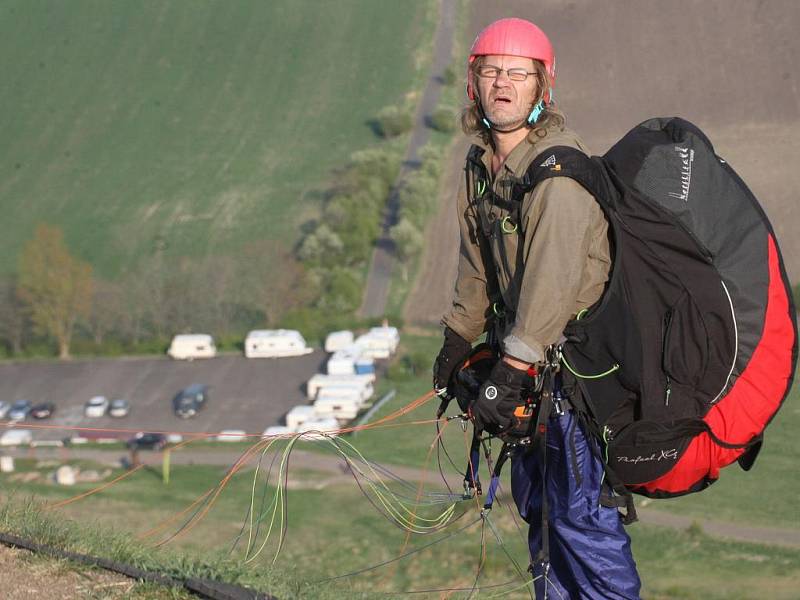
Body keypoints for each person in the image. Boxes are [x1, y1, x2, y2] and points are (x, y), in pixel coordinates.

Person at [432, 17, 641, 599]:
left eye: (517, 74)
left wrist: (510, 369)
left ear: (542, 86)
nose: (502, 85)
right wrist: (459, 338)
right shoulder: (481, 167)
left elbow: (552, 284)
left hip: (573, 376)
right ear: (473, 83)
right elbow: (476, 264)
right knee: (543, 514)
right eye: (491, 71)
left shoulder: (557, 173)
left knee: (581, 518)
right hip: (528, 371)